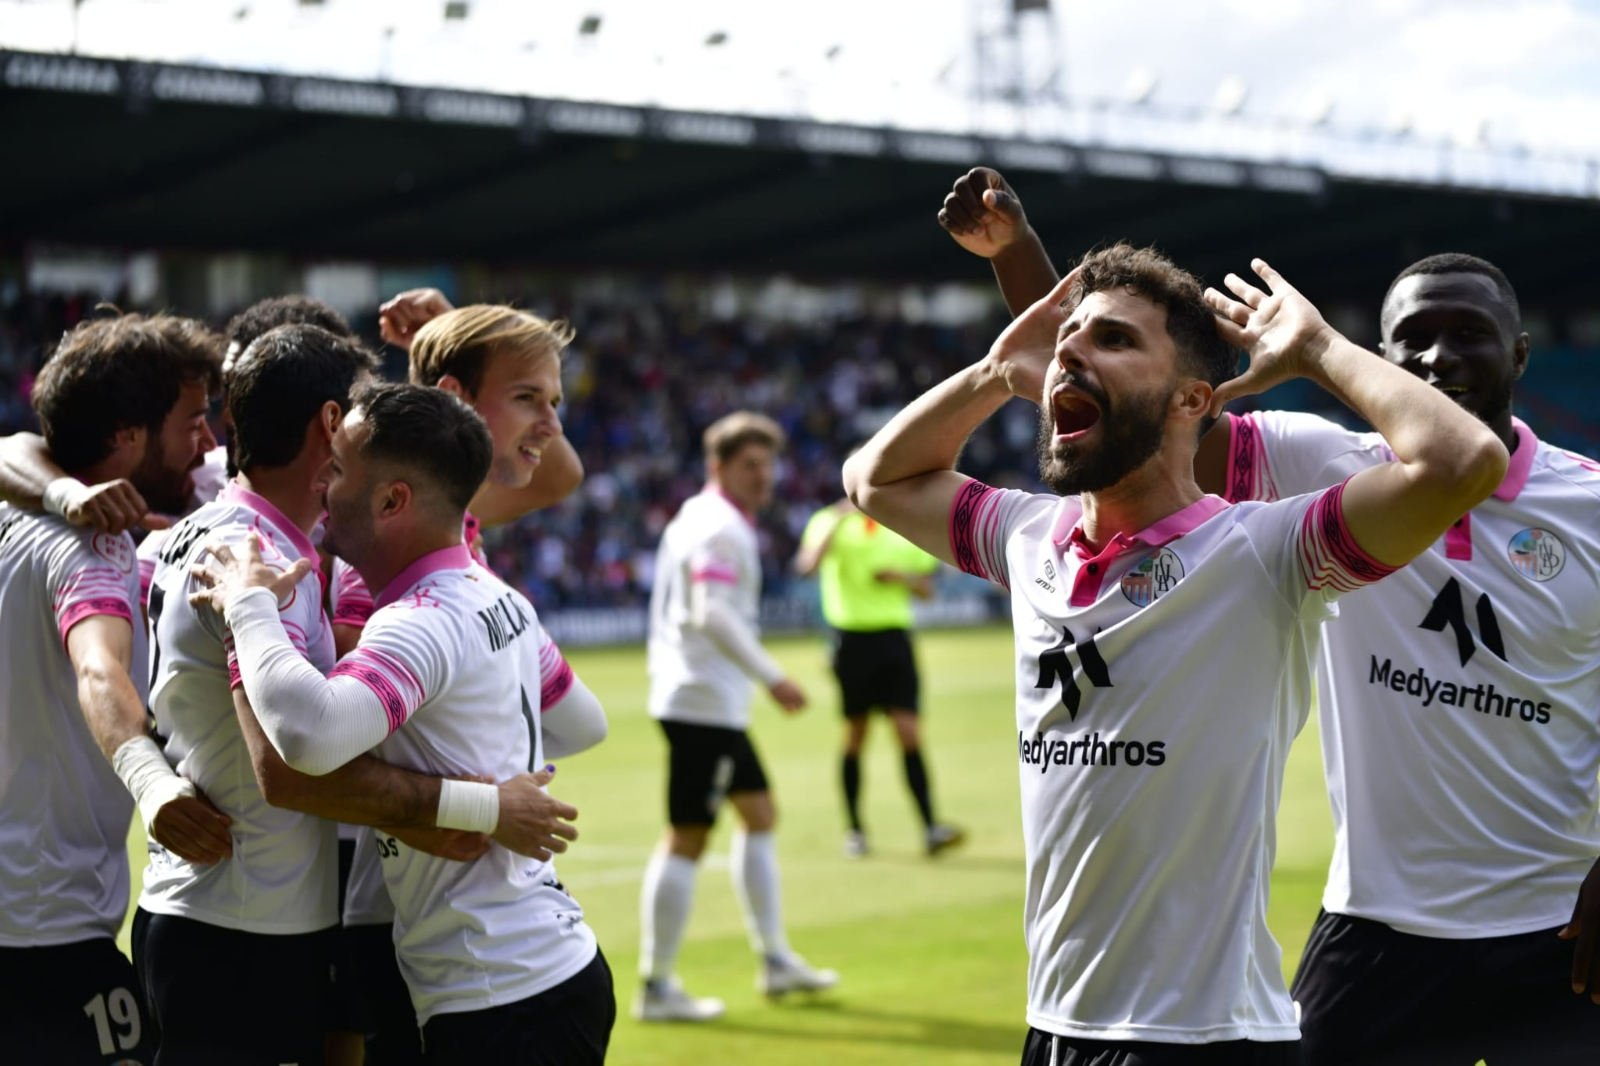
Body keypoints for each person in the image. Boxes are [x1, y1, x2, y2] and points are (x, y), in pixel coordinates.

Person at [942, 168, 1600, 1063]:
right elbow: (1123, 412)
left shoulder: (1592, 506)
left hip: (1561, 931)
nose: (1439, 359)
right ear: (1381, 354)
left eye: (1469, 336)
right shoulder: (1324, 468)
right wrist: (1018, 257)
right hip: (1377, 928)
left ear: (1521, 354)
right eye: (1413, 339)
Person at [842, 241, 1507, 1063]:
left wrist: (1318, 350)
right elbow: (874, 479)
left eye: (1115, 339)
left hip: (1204, 1038)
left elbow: (1465, 460)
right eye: (1067, 339)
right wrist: (991, 370)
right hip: (1054, 1028)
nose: (1072, 350)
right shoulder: (1027, 538)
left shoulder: (1267, 552)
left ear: (1194, 398)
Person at [133, 326, 562, 1065]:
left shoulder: (185, 535)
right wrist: (476, 807)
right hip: (246, 924)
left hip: (197, 902)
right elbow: (288, 766)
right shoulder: (264, 568)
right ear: (332, 425)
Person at [331, 295, 601, 1064]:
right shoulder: (384, 568)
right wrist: (485, 806)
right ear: (454, 401)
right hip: (410, 918)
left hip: (456, 919)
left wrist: (455, 332)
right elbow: (344, 751)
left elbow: (561, 472)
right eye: (528, 398)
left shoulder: (456, 528)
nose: (549, 424)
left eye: (555, 400)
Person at [0, 312, 230, 1065]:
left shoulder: (15, 510)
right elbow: (98, 668)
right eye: (193, 421)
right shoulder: (91, 549)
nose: (207, 442)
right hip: (46, 928)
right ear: (128, 435)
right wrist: (153, 783)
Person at [636, 411, 838, 1023]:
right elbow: (711, 613)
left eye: (769, 463)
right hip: (702, 701)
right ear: (717, 466)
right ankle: (657, 984)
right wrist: (773, 676)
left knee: (759, 812)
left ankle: (774, 959)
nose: (765, 475)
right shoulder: (718, 527)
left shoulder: (704, 518)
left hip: (700, 699)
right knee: (688, 837)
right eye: (751, 464)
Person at [795, 491, 964, 858]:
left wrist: (901, 577)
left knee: (909, 733)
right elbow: (807, 566)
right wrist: (841, 518)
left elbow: (927, 591)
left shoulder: (900, 526)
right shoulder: (829, 521)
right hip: (851, 641)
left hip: (895, 641)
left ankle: (931, 826)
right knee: (856, 735)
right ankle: (855, 829)